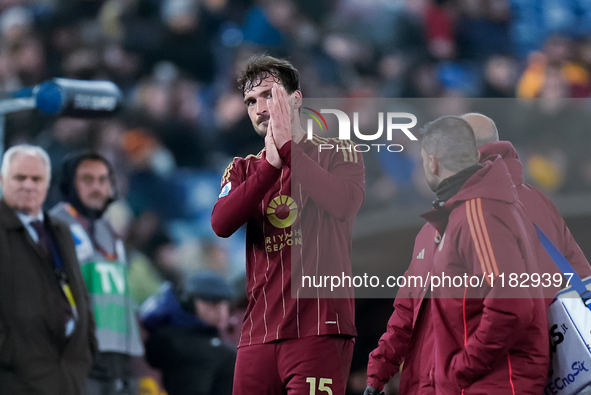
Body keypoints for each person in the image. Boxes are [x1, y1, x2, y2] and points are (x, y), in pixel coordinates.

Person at [211, 54, 365, 394]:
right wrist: (270, 165)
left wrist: (288, 148)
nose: (259, 108)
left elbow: (344, 204)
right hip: (258, 333)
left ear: (296, 99)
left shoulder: (339, 151)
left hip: (320, 329)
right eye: (250, 101)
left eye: (269, 95)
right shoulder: (241, 169)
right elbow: (221, 224)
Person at [419, 116, 548, 394]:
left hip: (494, 384)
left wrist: (461, 369)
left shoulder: (478, 212)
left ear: (432, 163)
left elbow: (511, 307)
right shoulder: (472, 209)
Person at [0, 144, 96, 394]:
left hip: (66, 377)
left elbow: (79, 292)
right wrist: (12, 356)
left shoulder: (60, 230)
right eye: (20, 178)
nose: (28, 185)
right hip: (15, 380)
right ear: (2, 180)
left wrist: (86, 346)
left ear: (47, 183)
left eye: (36, 178)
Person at [462, 112, 591, 290]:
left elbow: (499, 298)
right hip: (556, 314)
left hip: (519, 317)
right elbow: (581, 271)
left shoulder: (473, 208)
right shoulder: (538, 198)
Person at [50, 151, 144, 395]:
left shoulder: (110, 230)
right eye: (87, 180)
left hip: (117, 355)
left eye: (103, 180)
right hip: (75, 351)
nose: (98, 187)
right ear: (69, 183)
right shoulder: (52, 227)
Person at [140, 271, 236, 395]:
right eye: (212, 303)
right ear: (189, 303)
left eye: (226, 304)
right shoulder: (188, 347)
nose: (222, 312)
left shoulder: (202, 340)